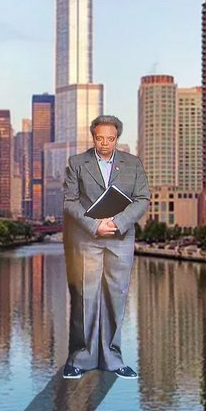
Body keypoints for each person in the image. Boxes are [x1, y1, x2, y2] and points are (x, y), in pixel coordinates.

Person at [60, 115, 150, 379]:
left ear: (117, 138)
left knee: (116, 300)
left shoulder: (132, 164)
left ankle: (112, 359)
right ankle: (80, 359)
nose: (105, 143)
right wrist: (93, 225)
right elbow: (69, 202)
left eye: (110, 138)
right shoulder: (76, 163)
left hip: (120, 240)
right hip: (88, 239)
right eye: (100, 138)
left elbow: (142, 199)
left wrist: (118, 222)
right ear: (93, 136)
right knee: (85, 299)